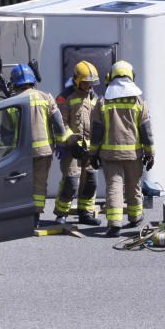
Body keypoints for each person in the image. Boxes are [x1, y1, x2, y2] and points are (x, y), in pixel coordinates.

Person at [89, 61, 154, 238]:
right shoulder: (139, 101)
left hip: (110, 154)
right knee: (134, 186)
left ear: (110, 77)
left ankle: (114, 224)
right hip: (134, 154)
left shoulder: (103, 101)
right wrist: (150, 153)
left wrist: (93, 153)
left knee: (114, 187)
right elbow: (146, 131)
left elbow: (96, 132)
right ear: (131, 77)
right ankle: (135, 217)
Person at [8, 63, 71, 227]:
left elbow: (5, 132)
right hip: (43, 151)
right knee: (39, 183)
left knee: (20, 183)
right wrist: (61, 143)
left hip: (20, 153)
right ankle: (35, 216)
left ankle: (19, 214)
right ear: (32, 80)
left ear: (14, 82)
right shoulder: (45, 97)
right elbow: (58, 123)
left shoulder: (10, 102)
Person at [53, 61, 100, 226]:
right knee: (71, 181)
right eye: (86, 82)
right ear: (77, 80)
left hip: (89, 148)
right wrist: (71, 141)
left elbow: (98, 121)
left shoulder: (93, 97)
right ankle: (61, 214)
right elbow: (61, 123)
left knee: (90, 182)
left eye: (91, 83)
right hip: (72, 148)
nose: (89, 86)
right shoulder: (65, 97)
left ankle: (85, 213)